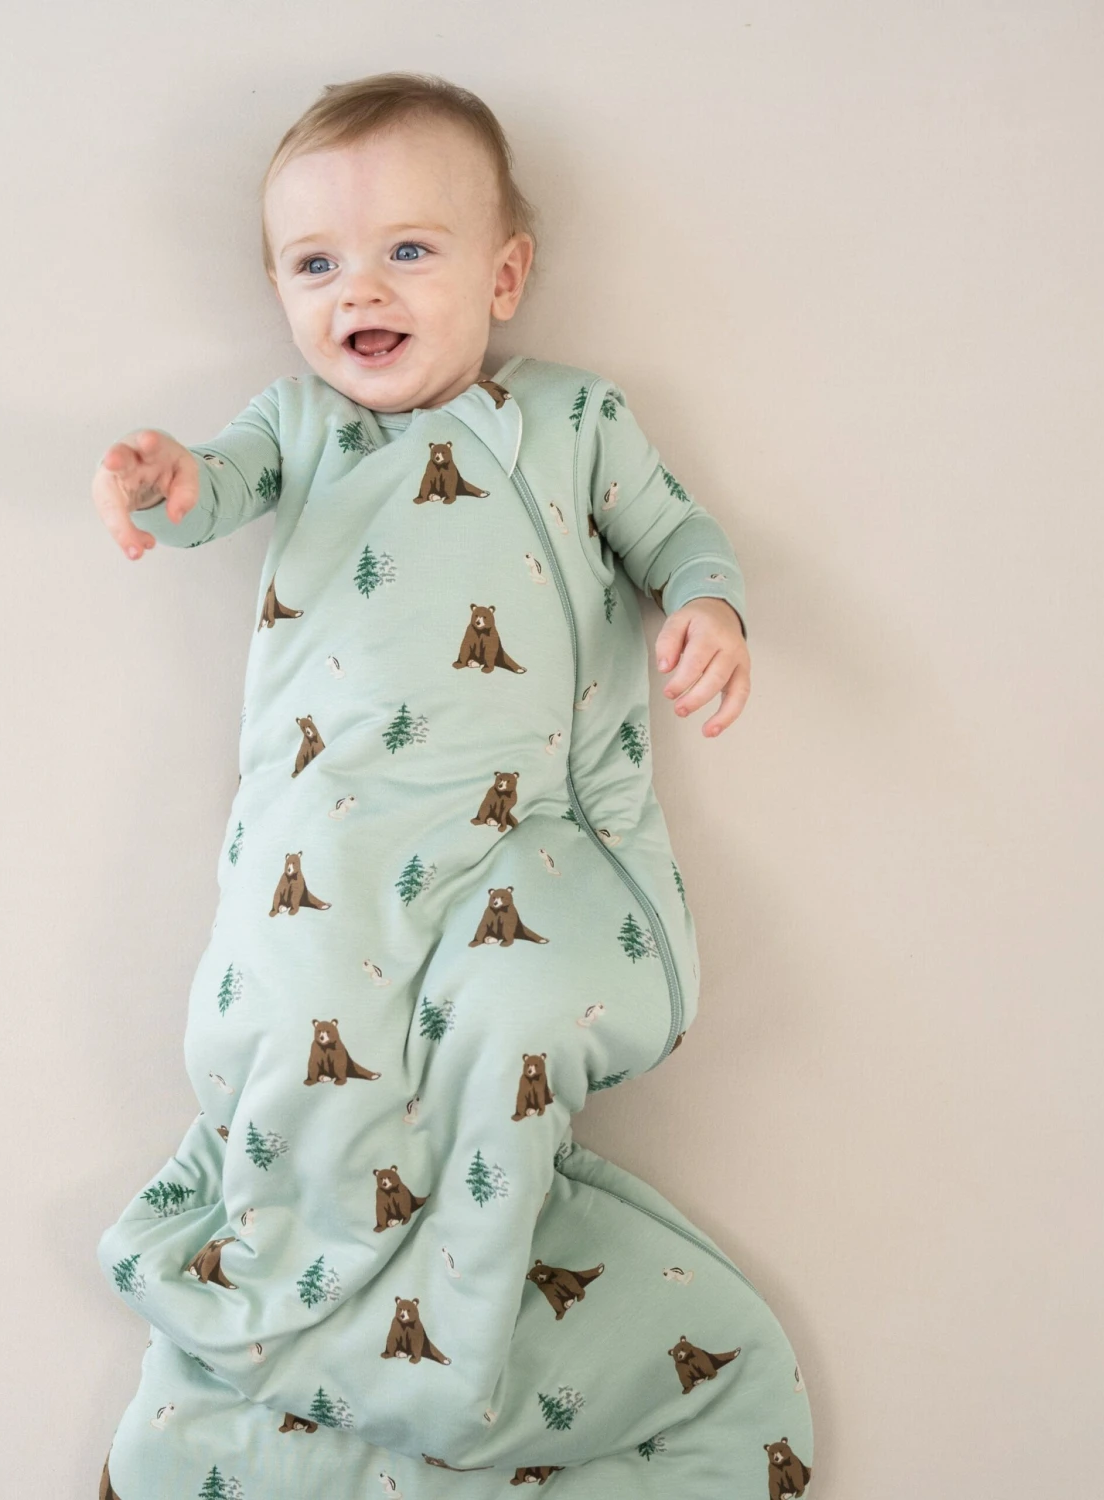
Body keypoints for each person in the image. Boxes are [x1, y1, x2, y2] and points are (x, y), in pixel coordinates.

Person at [90, 71, 813, 1500]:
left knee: (509, 1024)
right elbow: (216, 488)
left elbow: (676, 534)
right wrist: (167, 480)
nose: (358, 289)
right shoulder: (300, 426)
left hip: (518, 837)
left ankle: (446, 1353)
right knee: (291, 1031)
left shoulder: (572, 419)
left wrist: (708, 609)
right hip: (328, 835)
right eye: (314, 265)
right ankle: (295, 1333)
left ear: (505, 276)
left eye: (407, 250)